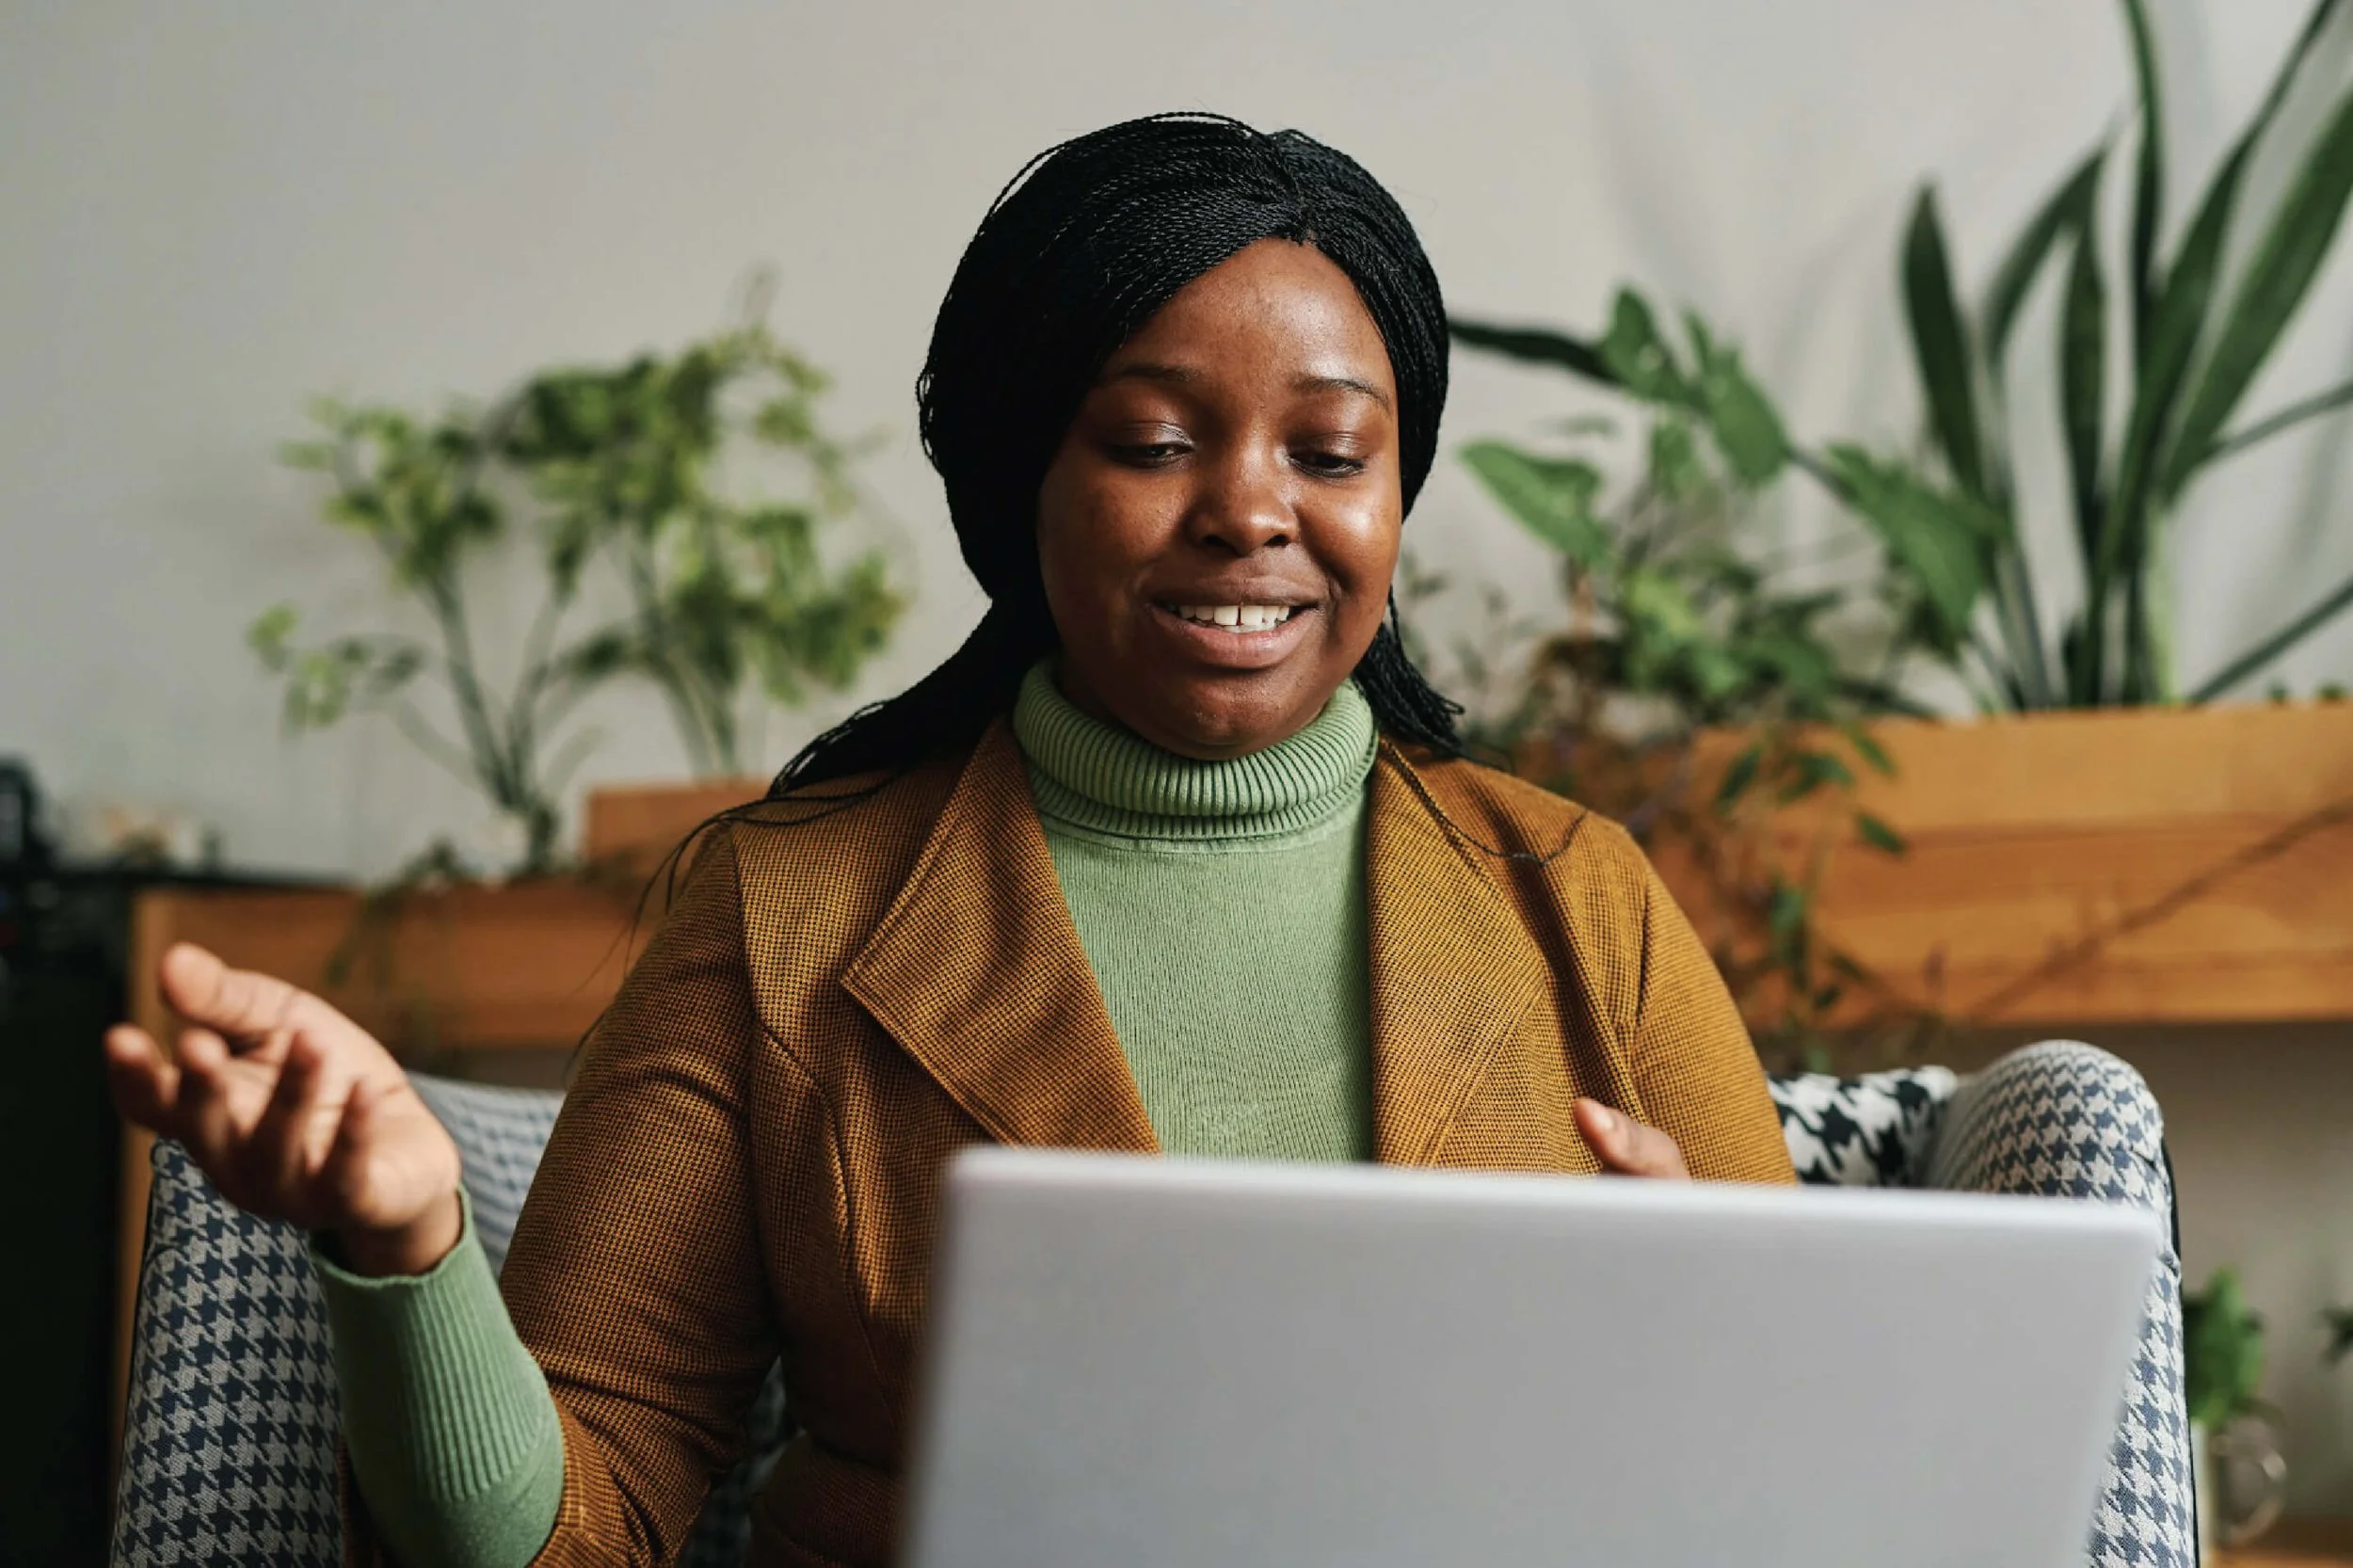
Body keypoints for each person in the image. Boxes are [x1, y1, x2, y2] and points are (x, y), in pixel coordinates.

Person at [105, 112, 1795, 1568]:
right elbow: (582, 1524)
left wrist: (1705, 1359)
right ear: (1020, 483)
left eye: (1331, 450)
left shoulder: (1580, 900)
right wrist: (404, 1253)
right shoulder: (783, 911)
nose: (1253, 509)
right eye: (1152, 440)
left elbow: (1828, 1476)